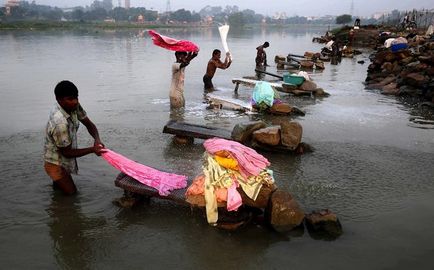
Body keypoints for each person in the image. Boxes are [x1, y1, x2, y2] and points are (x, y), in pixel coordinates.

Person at [44, 80, 105, 195]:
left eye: (76, 97)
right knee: (72, 195)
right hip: (55, 162)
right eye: (70, 99)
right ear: (59, 99)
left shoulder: (74, 106)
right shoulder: (59, 122)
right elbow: (66, 152)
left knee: (59, 192)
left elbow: (89, 124)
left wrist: (97, 140)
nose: (75, 101)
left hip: (63, 158)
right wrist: (92, 150)